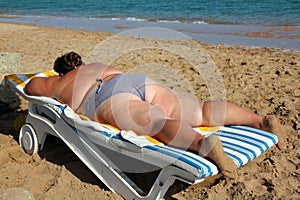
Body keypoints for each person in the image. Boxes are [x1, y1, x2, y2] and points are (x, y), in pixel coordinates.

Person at [25, 51, 282, 178]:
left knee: (157, 122)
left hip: (107, 96)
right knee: (200, 109)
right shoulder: (97, 65)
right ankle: (259, 120)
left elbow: (30, 86)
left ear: (61, 72)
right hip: (133, 80)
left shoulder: (60, 83)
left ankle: (201, 143)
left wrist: (54, 82)